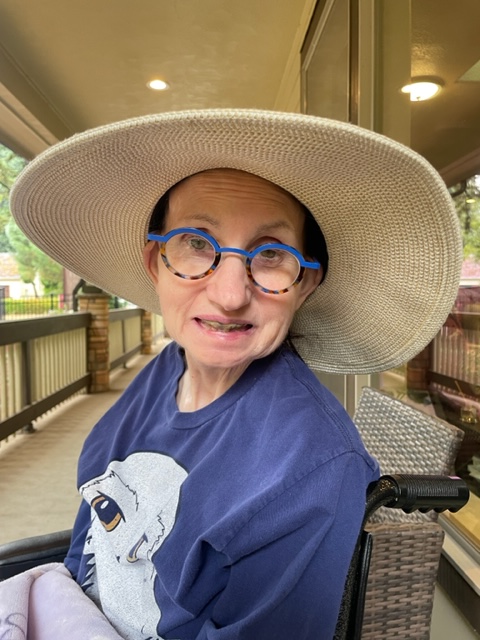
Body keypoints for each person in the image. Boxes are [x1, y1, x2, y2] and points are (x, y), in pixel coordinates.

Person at [10, 109, 462, 639]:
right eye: (197, 243)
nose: (229, 295)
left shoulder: (309, 470)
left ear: (304, 284)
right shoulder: (167, 367)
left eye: (270, 254)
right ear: (156, 263)